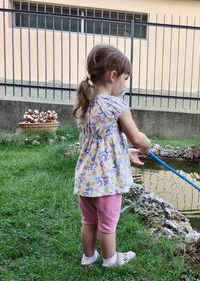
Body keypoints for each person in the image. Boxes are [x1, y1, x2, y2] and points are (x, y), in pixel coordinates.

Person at [72, 44, 151, 267]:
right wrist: (146, 145)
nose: (124, 85)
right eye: (125, 79)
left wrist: (125, 152)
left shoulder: (84, 103)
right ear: (112, 75)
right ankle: (110, 260)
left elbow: (100, 142)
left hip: (86, 178)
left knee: (88, 221)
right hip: (107, 181)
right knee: (108, 225)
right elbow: (136, 137)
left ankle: (88, 257)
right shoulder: (116, 106)